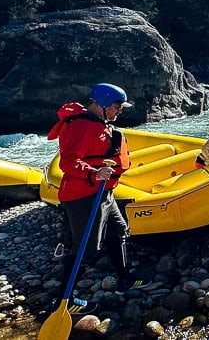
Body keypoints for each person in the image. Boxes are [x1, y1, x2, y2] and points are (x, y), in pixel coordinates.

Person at [48, 83, 139, 291]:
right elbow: (68, 162)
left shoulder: (101, 123)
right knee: (84, 249)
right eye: (118, 106)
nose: (120, 111)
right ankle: (65, 300)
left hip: (103, 192)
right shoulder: (81, 126)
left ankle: (125, 279)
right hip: (83, 196)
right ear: (104, 103)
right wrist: (93, 172)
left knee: (118, 231)